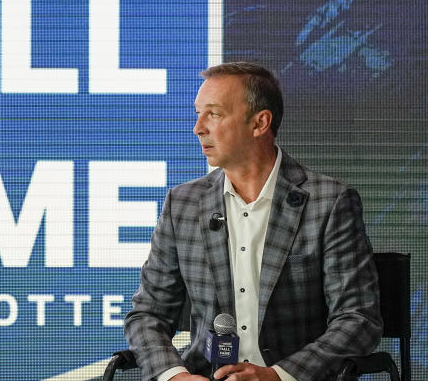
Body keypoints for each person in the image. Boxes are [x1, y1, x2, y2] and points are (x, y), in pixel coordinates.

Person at [124, 62, 381, 381]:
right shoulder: (183, 204)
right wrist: (174, 375)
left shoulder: (329, 203)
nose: (198, 128)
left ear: (260, 123)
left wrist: (277, 376)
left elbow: (358, 320)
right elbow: (147, 314)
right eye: (198, 113)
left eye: (214, 114)